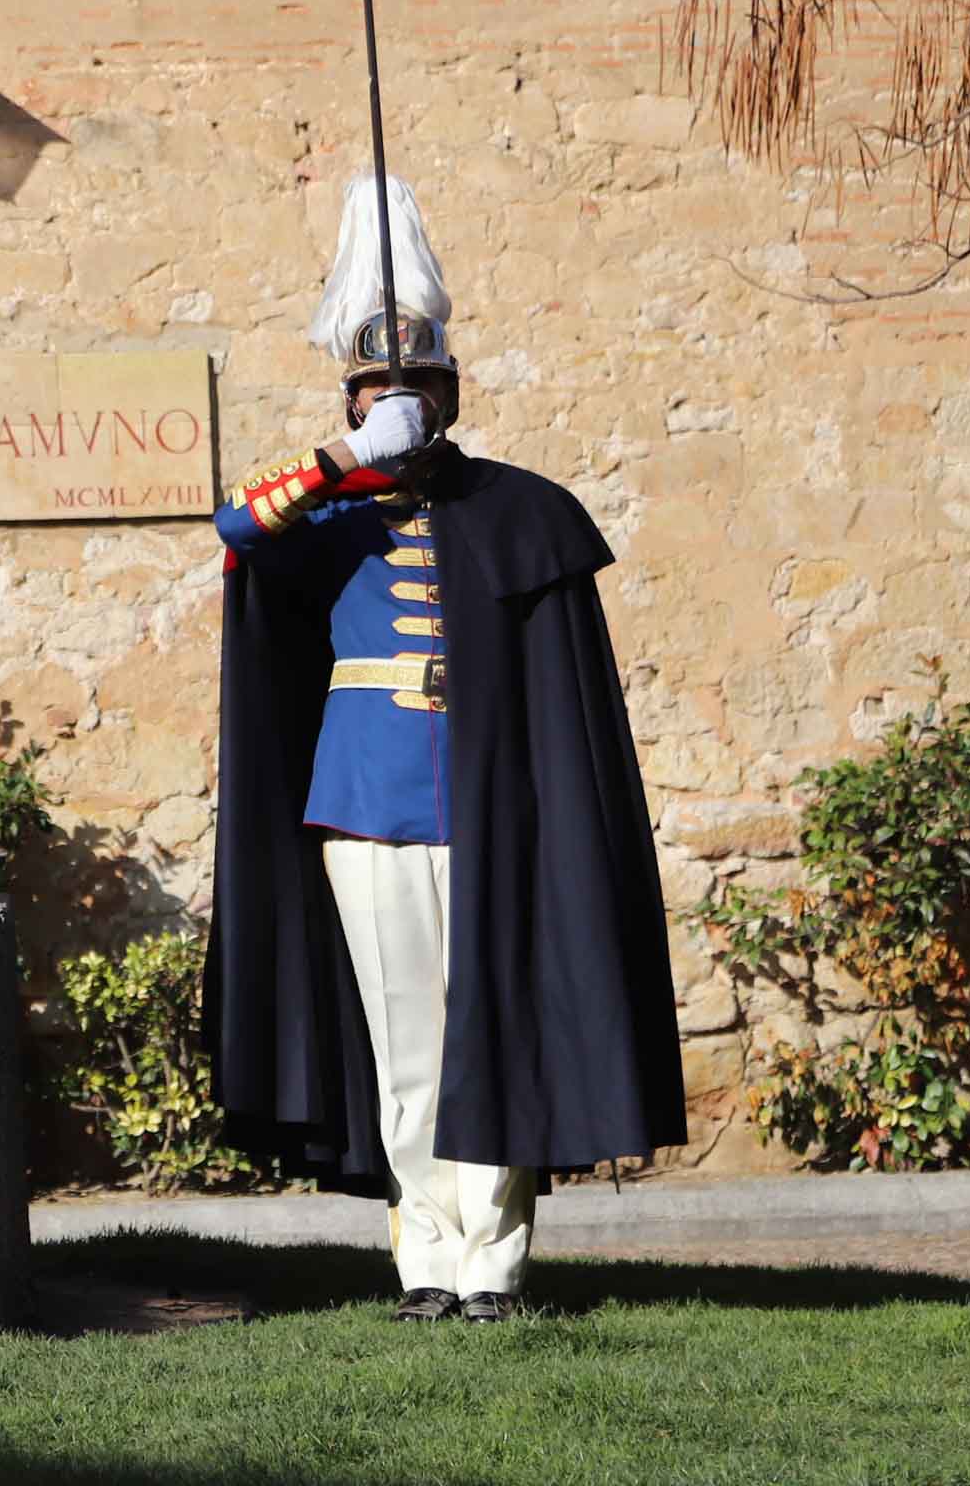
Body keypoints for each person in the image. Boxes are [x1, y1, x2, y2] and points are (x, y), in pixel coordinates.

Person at [206, 178, 687, 1322]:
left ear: (452, 395)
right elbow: (235, 524)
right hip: (367, 800)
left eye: (418, 385)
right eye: (380, 387)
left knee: (493, 1024)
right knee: (410, 1042)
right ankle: (426, 1254)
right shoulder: (332, 513)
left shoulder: (519, 508)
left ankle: (495, 1264)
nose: (402, 402)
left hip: (493, 804)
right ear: (357, 399)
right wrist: (339, 461)